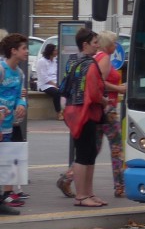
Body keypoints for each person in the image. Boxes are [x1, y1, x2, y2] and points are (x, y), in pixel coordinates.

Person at [65, 27, 107, 208]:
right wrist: (104, 100)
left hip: (73, 111)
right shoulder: (90, 64)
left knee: (88, 153)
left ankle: (88, 193)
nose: (98, 46)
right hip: (86, 113)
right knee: (84, 155)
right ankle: (82, 195)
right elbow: (94, 91)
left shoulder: (72, 60)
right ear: (85, 45)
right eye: (95, 43)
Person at [94, 31, 127, 199]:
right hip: (108, 109)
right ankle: (120, 185)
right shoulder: (104, 58)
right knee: (117, 148)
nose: (116, 46)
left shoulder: (98, 57)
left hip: (100, 109)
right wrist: (119, 89)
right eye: (114, 43)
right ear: (108, 45)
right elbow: (100, 83)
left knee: (94, 148)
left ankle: (68, 177)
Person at [0, 33, 30, 213]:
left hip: (8, 123)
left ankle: (7, 194)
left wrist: (21, 105)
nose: (27, 52)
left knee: (8, 158)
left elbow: (21, 95)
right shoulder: (1, 69)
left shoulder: (19, 73)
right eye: (24, 48)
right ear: (13, 51)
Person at [36, 40, 64, 119]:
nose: (56, 51)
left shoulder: (55, 61)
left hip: (55, 82)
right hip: (45, 84)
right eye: (55, 50)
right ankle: (58, 113)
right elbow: (44, 77)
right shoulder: (42, 62)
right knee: (56, 93)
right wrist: (54, 84)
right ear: (50, 51)